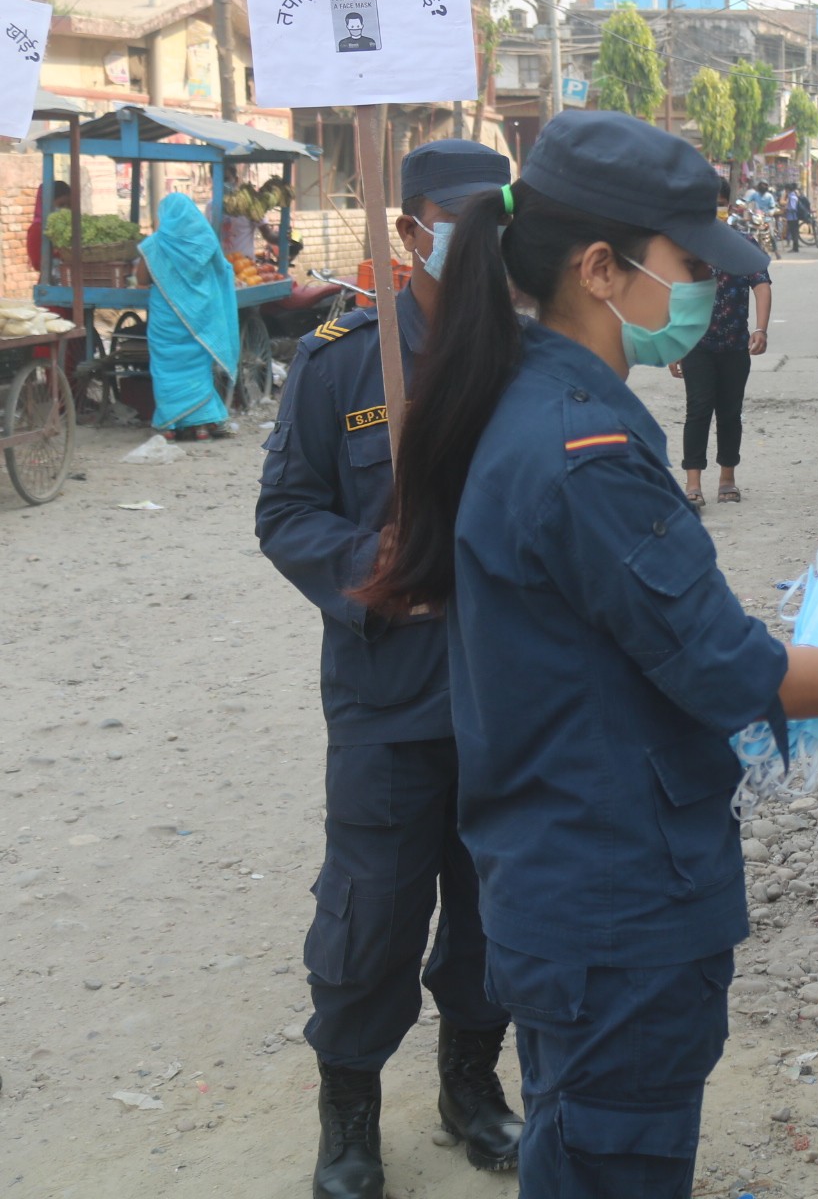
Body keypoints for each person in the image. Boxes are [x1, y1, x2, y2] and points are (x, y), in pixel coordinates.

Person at [351, 110, 818, 1199]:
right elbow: (737, 674)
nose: (705, 287)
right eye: (687, 264)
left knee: (576, 1140)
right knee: (610, 1158)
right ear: (600, 269)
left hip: (564, 877)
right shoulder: (584, 449)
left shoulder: (525, 399)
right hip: (613, 903)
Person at [256, 140, 521, 1199]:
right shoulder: (342, 364)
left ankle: (471, 1086)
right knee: (369, 917)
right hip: (389, 698)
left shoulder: (529, 358)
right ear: (410, 231)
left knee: (497, 911)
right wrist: (370, 563)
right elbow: (284, 513)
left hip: (509, 695)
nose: (484, 245)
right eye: (462, 222)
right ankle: (350, 1113)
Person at [671, 183, 770, 507]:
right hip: (695, 344)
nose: (716, 210)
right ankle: (693, 483)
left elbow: (762, 285)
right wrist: (672, 340)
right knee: (698, 411)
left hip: (734, 345)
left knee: (730, 413)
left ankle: (728, 479)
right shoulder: (684, 247)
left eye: (721, 204)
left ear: (730, 205)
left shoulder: (743, 244)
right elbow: (672, 293)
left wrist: (761, 329)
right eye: (709, 204)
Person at [137, 192, 241, 441]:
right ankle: (202, 425)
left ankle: (170, 426)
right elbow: (222, 271)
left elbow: (142, 280)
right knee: (197, 368)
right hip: (200, 317)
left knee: (167, 368)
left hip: (165, 321)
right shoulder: (207, 241)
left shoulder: (154, 245)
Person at [25, 179, 71, 274]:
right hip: (52, 283)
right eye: (61, 205)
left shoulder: (70, 227)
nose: (65, 209)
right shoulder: (37, 229)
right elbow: (38, 263)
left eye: (69, 205)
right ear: (46, 204)